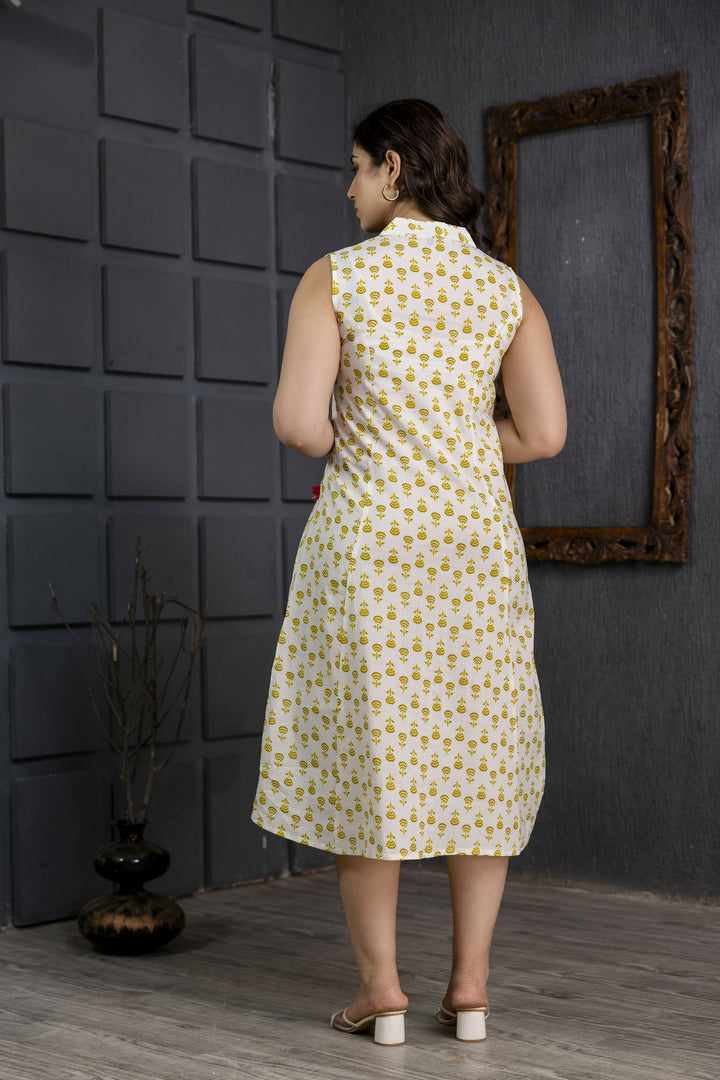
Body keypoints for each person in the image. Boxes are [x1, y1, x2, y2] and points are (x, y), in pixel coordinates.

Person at [251, 99, 566, 1047]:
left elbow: (299, 424)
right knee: (478, 758)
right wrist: (454, 448)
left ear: (393, 168)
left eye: (356, 168)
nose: (348, 188)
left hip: (370, 548)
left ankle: (380, 991)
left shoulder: (338, 278)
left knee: (371, 757)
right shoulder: (504, 289)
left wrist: (371, 443)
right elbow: (544, 433)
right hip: (474, 549)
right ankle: (469, 991)